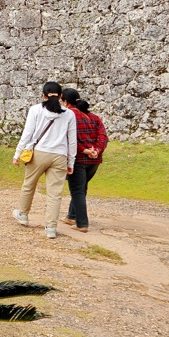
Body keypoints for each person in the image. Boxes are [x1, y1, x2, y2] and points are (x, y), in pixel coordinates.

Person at [12, 81, 78, 239]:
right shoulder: (69, 114)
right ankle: (51, 228)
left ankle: (23, 214)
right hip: (60, 155)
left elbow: (27, 134)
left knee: (29, 185)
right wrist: (71, 162)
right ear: (61, 96)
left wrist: (17, 154)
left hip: (39, 153)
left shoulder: (36, 110)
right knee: (55, 194)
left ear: (43, 94)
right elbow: (72, 140)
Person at [61, 88, 108, 233]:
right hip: (94, 160)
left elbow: (71, 138)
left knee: (77, 190)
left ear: (66, 102)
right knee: (81, 188)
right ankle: (72, 215)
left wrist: (84, 150)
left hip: (79, 158)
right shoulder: (94, 117)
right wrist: (96, 150)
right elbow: (103, 137)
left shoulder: (69, 115)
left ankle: (82, 223)